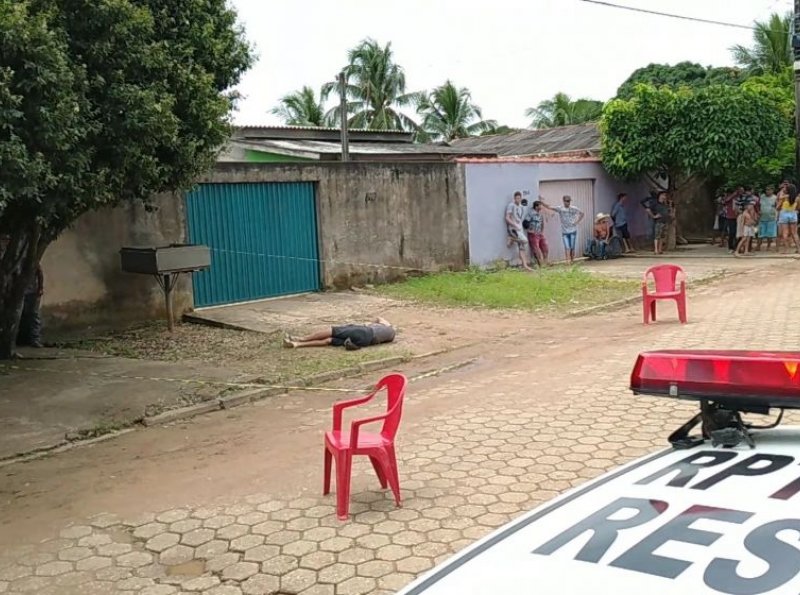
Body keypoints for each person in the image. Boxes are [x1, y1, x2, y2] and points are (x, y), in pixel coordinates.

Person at [284, 317, 396, 350]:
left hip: (364, 331)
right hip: (366, 342)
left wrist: (368, 323)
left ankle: (301, 339)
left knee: (331, 331)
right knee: (329, 341)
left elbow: (378, 318)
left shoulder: (387, 325)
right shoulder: (391, 336)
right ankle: (296, 345)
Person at [540, 195, 584, 264]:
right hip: (565, 231)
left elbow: (582, 213)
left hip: (573, 230)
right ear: (563, 201)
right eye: (567, 201)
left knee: (572, 247)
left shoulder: (574, 208)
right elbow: (549, 207)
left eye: (569, 201)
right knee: (567, 247)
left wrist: (577, 221)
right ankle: (567, 261)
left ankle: (572, 260)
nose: (568, 203)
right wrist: (542, 202)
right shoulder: (560, 208)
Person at [505, 191, 533, 271]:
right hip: (513, 228)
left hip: (519, 229)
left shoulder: (521, 207)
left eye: (519, 198)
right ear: (514, 198)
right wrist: (514, 225)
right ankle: (511, 238)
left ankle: (525, 266)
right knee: (524, 241)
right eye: (517, 198)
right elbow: (507, 218)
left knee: (522, 247)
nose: (518, 200)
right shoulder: (511, 205)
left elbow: (520, 218)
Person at [524, 200, 548, 267]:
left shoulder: (540, 214)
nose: (541, 207)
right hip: (533, 235)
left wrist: (542, 231)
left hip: (540, 234)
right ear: (536, 206)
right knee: (536, 250)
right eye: (540, 205)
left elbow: (542, 223)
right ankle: (540, 265)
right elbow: (525, 223)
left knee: (545, 247)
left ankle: (545, 263)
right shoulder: (531, 214)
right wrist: (531, 230)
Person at [777, 184, 800, 254]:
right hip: (793, 214)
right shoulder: (797, 198)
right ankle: (798, 249)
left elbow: (778, 207)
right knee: (794, 233)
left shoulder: (784, 197)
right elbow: (798, 208)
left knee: (785, 233)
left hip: (784, 214)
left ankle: (786, 250)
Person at [756, 185, 778, 252]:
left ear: (772, 190)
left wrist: (776, 215)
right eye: (766, 190)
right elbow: (758, 205)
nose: (767, 191)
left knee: (770, 234)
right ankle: (758, 246)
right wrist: (758, 211)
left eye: (769, 190)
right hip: (762, 218)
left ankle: (768, 246)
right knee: (760, 233)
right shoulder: (762, 196)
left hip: (771, 218)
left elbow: (777, 206)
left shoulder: (775, 198)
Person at [721, 188, 742, 254]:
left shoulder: (740, 198)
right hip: (731, 217)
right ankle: (731, 247)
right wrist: (733, 194)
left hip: (739, 217)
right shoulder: (729, 198)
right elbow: (725, 201)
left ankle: (737, 247)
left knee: (738, 233)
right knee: (732, 233)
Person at [652, 191, 672, 255]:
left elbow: (669, 211)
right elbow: (648, 209)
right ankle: (656, 249)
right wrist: (653, 216)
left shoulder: (665, 204)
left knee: (662, 236)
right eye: (663, 195)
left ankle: (660, 249)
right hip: (659, 221)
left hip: (664, 221)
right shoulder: (656, 204)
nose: (664, 197)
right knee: (657, 235)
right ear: (660, 196)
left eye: (665, 196)